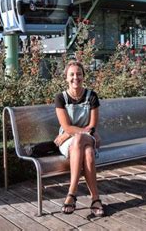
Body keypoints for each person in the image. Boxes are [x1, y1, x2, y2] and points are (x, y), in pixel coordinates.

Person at [53, 61, 104, 217]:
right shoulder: (60, 98)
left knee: (80, 140)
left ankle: (72, 193)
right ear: (66, 78)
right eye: (72, 74)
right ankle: (95, 198)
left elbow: (92, 125)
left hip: (85, 137)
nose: (76, 77)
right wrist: (77, 132)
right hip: (68, 141)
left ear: (83, 76)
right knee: (87, 153)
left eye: (79, 74)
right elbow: (67, 127)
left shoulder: (92, 96)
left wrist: (78, 132)